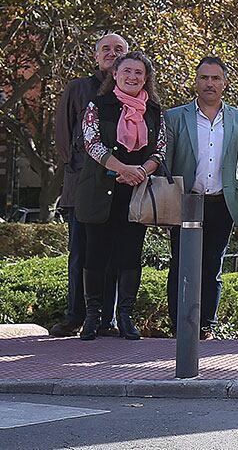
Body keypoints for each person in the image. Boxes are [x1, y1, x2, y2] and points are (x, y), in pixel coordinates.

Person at [76, 53, 167, 340]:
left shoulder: (154, 110)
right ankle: (92, 318)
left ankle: (125, 316)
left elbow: (160, 149)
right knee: (95, 256)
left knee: (130, 256)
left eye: (139, 72)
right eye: (127, 71)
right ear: (115, 74)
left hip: (136, 195)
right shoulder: (98, 105)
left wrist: (141, 170)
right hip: (100, 193)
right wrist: (122, 168)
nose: (133, 77)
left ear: (146, 78)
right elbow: (91, 142)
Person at [164, 56, 238, 340]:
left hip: (221, 202)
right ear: (196, 81)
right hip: (186, 202)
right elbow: (167, 160)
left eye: (215, 78)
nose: (210, 83)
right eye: (204, 77)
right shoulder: (176, 117)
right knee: (181, 266)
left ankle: (206, 326)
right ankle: (179, 326)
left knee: (212, 266)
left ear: (225, 83)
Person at [50, 32, 127, 337]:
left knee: (113, 256)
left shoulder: (132, 94)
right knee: (81, 254)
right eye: (106, 49)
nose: (112, 53)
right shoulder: (79, 89)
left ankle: (106, 319)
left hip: (120, 187)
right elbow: (63, 134)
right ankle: (75, 316)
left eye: (119, 49)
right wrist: (79, 171)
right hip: (83, 187)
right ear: (96, 56)